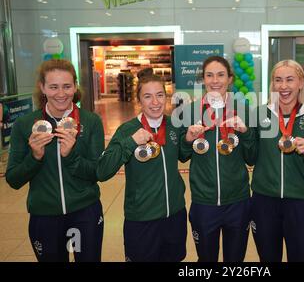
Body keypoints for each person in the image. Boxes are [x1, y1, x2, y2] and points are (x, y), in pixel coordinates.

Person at [6, 59, 105, 262]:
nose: (61, 94)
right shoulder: (25, 125)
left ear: (75, 86)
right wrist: (35, 157)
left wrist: (71, 156)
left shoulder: (90, 121)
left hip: (85, 212)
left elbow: (98, 172)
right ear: (42, 88)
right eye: (53, 87)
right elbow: (13, 180)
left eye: (67, 86)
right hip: (44, 216)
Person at [96, 69, 187, 262]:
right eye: (148, 96)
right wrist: (130, 142)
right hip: (142, 219)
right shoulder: (127, 130)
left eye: (160, 95)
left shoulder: (175, 125)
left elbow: (184, 155)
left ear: (166, 96)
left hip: (175, 215)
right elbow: (103, 170)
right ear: (139, 100)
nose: (155, 102)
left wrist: (189, 139)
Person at [178, 56, 255, 262]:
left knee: (235, 260)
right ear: (203, 79)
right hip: (204, 202)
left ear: (230, 78)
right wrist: (187, 139)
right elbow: (182, 156)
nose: (215, 81)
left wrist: (246, 132)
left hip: (238, 201)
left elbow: (252, 157)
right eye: (209, 75)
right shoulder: (188, 111)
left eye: (221, 75)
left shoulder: (245, 110)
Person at [250, 59, 304, 262]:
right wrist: (245, 134)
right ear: (272, 84)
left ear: (301, 82)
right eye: (278, 80)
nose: (283, 86)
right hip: (264, 200)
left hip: (300, 201)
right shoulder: (259, 114)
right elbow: (250, 157)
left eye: (290, 80)